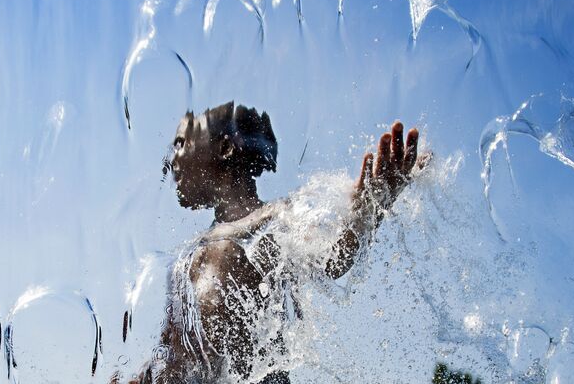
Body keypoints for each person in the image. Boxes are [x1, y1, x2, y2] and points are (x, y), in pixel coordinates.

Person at [114, 102, 427, 384]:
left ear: (224, 149)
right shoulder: (186, 257)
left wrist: (368, 210)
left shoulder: (272, 222)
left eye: (182, 143)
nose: (172, 159)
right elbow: (172, 348)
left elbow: (333, 258)